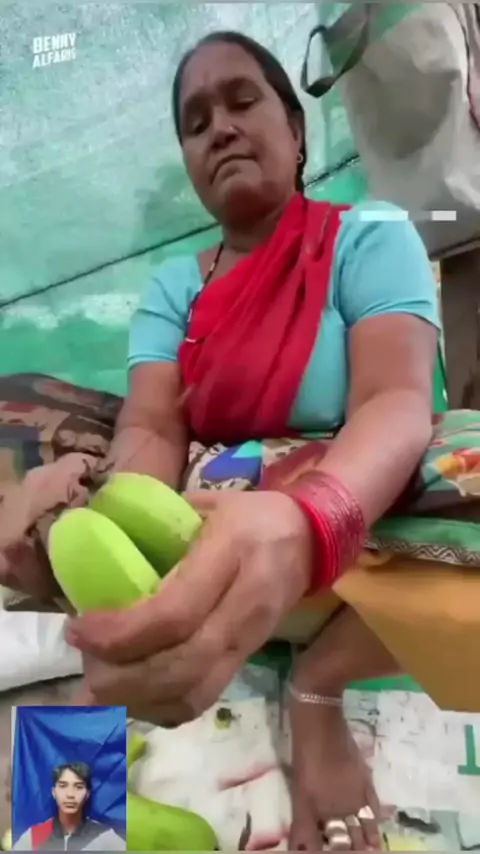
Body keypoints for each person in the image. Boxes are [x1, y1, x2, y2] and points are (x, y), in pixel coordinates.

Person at [2, 30, 440, 852]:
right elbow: (151, 426)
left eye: (243, 101)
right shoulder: (175, 287)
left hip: (357, 515)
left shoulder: (367, 236)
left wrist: (311, 520)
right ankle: (93, 756)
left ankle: (318, 686)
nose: (221, 128)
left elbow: (395, 398)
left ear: (298, 131)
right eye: (196, 122)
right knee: (29, 451)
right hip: (209, 522)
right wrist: (88, 507)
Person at [12, 763, 125, 851]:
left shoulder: (105, 837)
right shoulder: (34, 836)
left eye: (79, 787)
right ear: (54, 792)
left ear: (87, 794)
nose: (70, 794)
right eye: (63, 786)